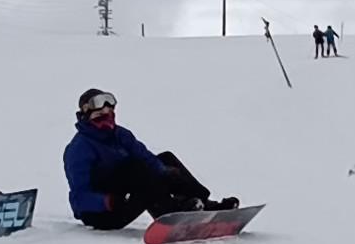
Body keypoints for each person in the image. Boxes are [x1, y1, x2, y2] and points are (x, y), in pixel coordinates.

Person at [65, 89, 235, 230]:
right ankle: (170, 214)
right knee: (135, 168)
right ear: (86, 116)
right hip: (103, 214)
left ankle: (203, 203)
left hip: (125, 196)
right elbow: (79, 198)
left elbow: (146, 157)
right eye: (100, 114)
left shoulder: (121, 135)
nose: (107, 118)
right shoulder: (79, 148)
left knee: (164, 159)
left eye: (109, 113)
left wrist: (166, 173)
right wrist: (109, 202)